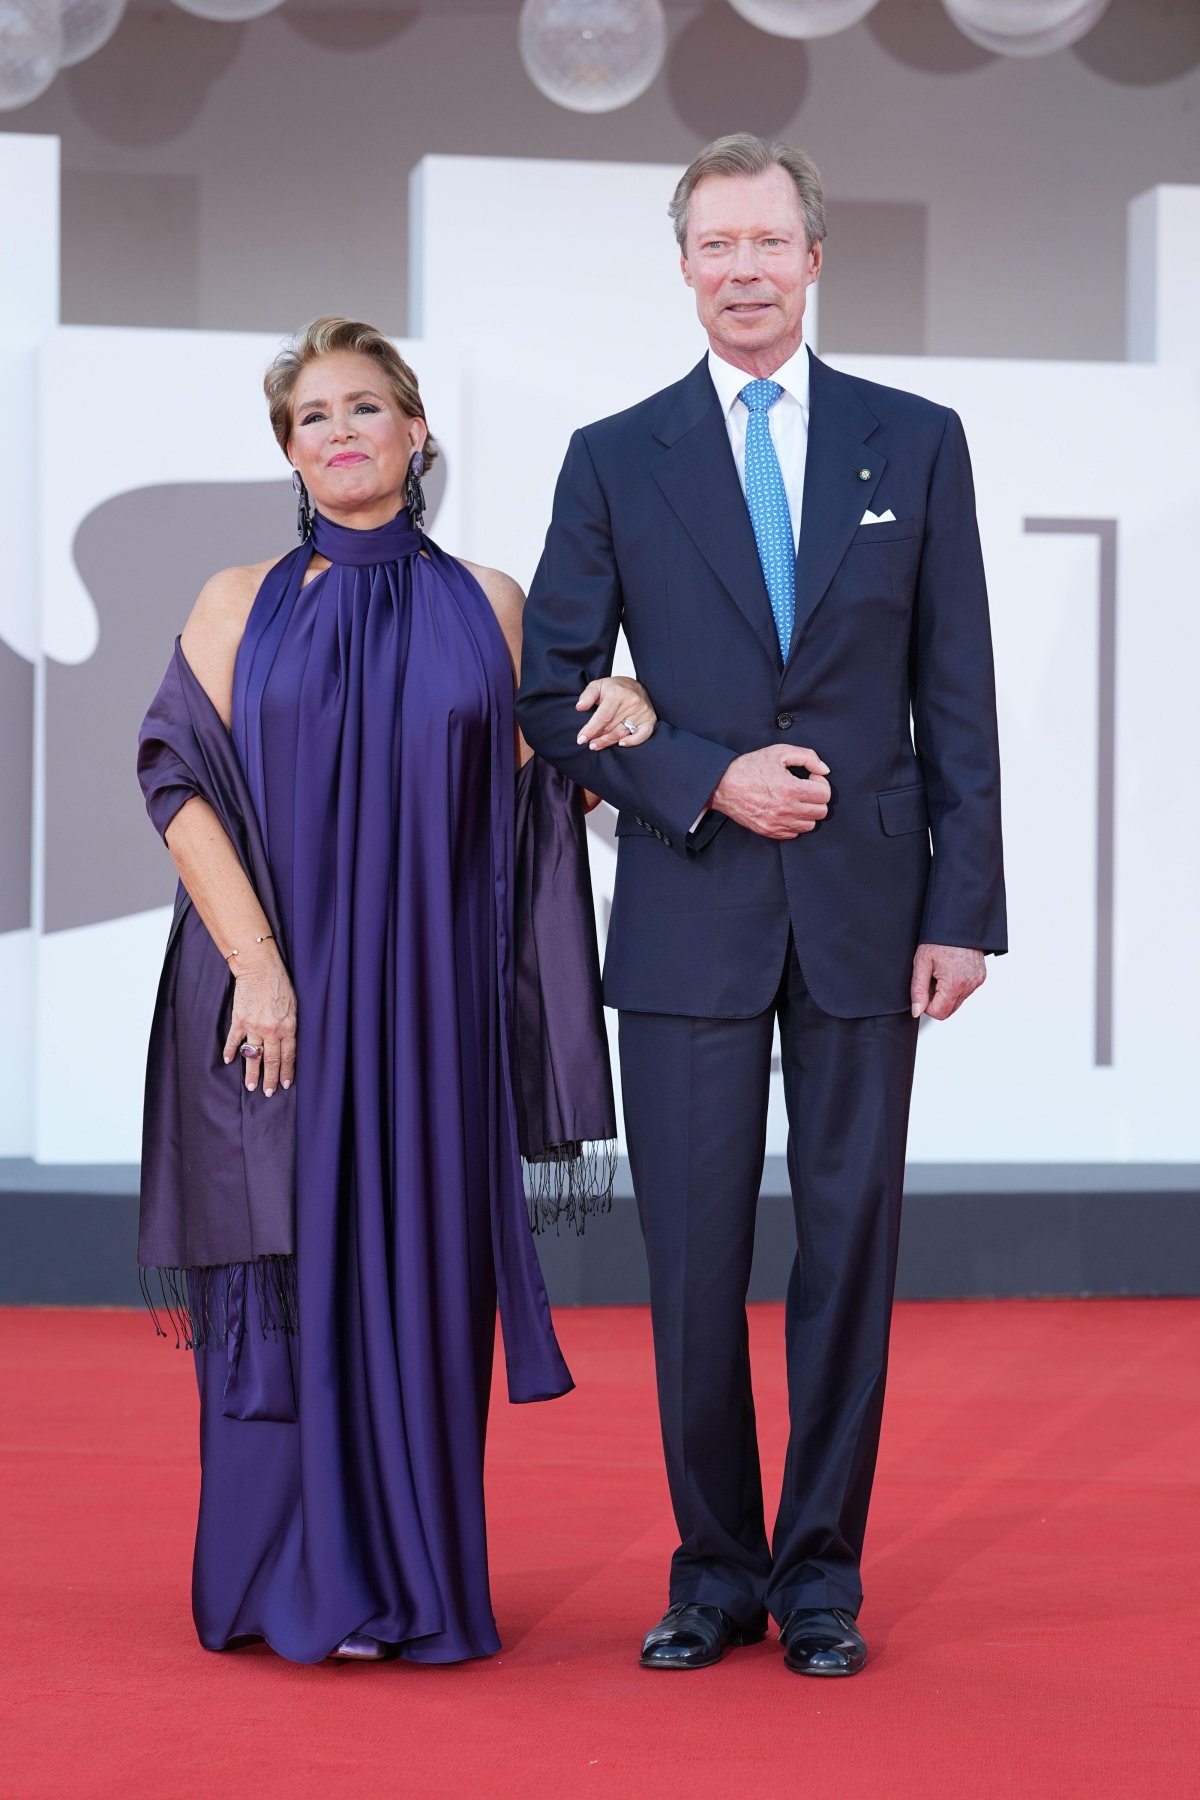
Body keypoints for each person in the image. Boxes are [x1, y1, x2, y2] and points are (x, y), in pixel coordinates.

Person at [517, 135, 1007, 1678]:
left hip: (872, 911)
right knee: (691, 1266)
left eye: (767, 241)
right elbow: (549, 687)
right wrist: (707, 776)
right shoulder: (616, 453)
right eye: (714, 244)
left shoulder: (915, 441)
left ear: (813, 259)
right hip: (689, 903)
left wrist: (966, 908)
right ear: (684, 268)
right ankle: (714, 1570)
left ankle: (820, 1581)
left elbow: (959, 694)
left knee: (850, 1251)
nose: (742, 268)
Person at [136, 316, 655, 1665]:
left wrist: (633, 712)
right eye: (315, 416)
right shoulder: (235, 600)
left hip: (432, 1012)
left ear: (417, 434)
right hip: (274, 1005)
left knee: (424, 1292)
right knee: (287, 1280)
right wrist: (260, 967)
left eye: (369, 407)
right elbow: (177, 786)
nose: (344, 432)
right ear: (289, 452)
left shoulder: (489, 601)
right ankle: (276, 1582)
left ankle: (414, 1587)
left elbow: (548, 790)